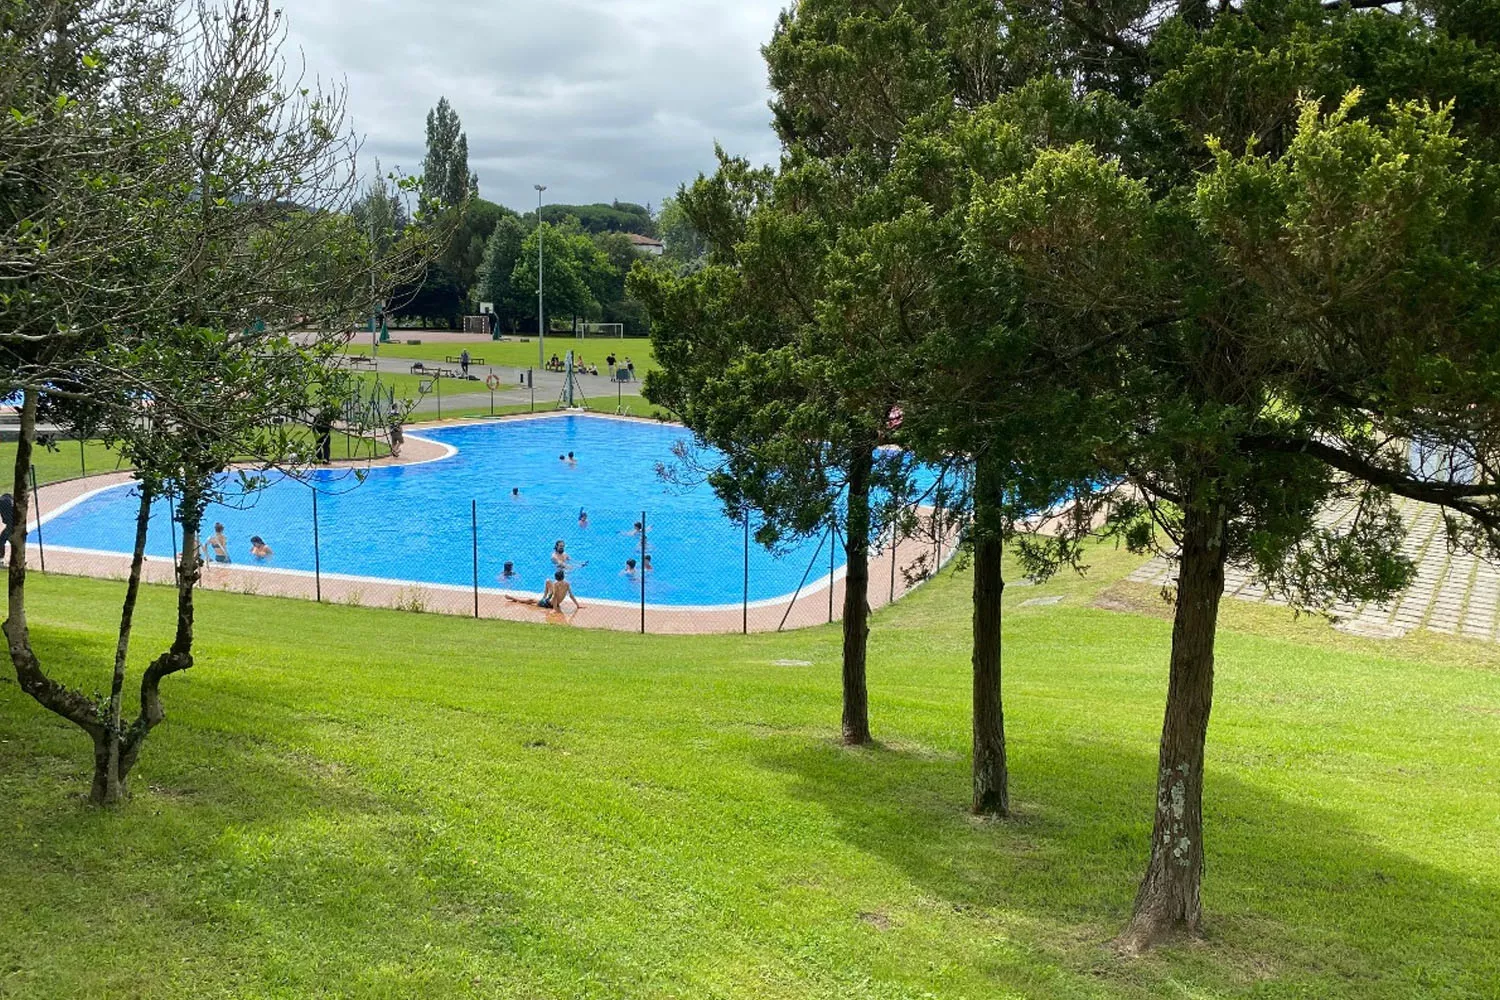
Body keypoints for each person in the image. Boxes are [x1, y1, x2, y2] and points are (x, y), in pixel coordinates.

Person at [506, 569, 581, 611]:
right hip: (551, 599)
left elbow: (555, 597)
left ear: (556, 577)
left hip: (549, 603)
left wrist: (554, 609)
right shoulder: (567, 584)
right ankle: (544, 596)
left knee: (530, 601)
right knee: (548, 581)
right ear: (563, 577)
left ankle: (513, 598)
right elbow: (571, 596)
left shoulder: (556, 584)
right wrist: (577, 605)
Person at [0, 492, 13, 561]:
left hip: (11, 525)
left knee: (1, 540)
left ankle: (1, 559)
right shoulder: (9, 499)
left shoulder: (2, 502)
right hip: (17, 524)